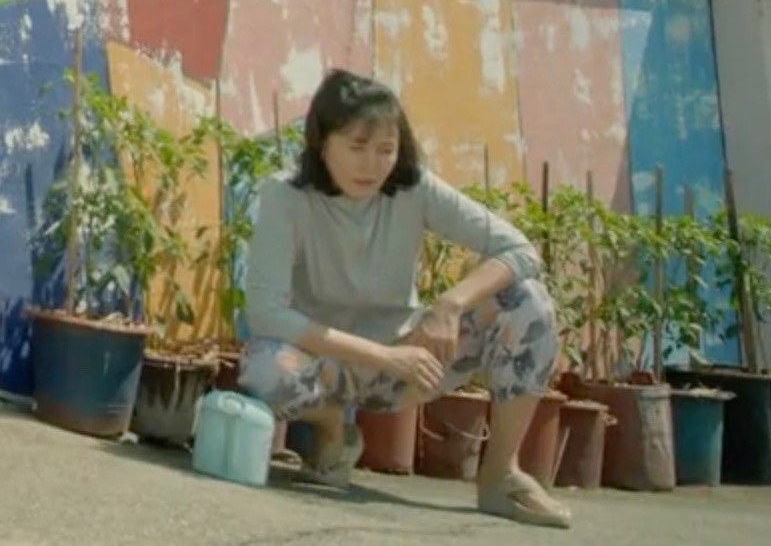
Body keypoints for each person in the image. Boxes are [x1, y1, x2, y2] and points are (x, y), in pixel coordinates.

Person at [239, 70, 570, 530]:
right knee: (263, 368)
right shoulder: (285, 195)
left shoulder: (413, 188)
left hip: (412, 364)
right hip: (327, 365)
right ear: (322, 142)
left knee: (528, 301)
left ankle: (499, 476)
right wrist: (385, 356)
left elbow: (520, 251)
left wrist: (448, 306)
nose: (371, 165)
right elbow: (266, 312)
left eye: (385, 150)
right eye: (357, 146)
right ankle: (334, 431)